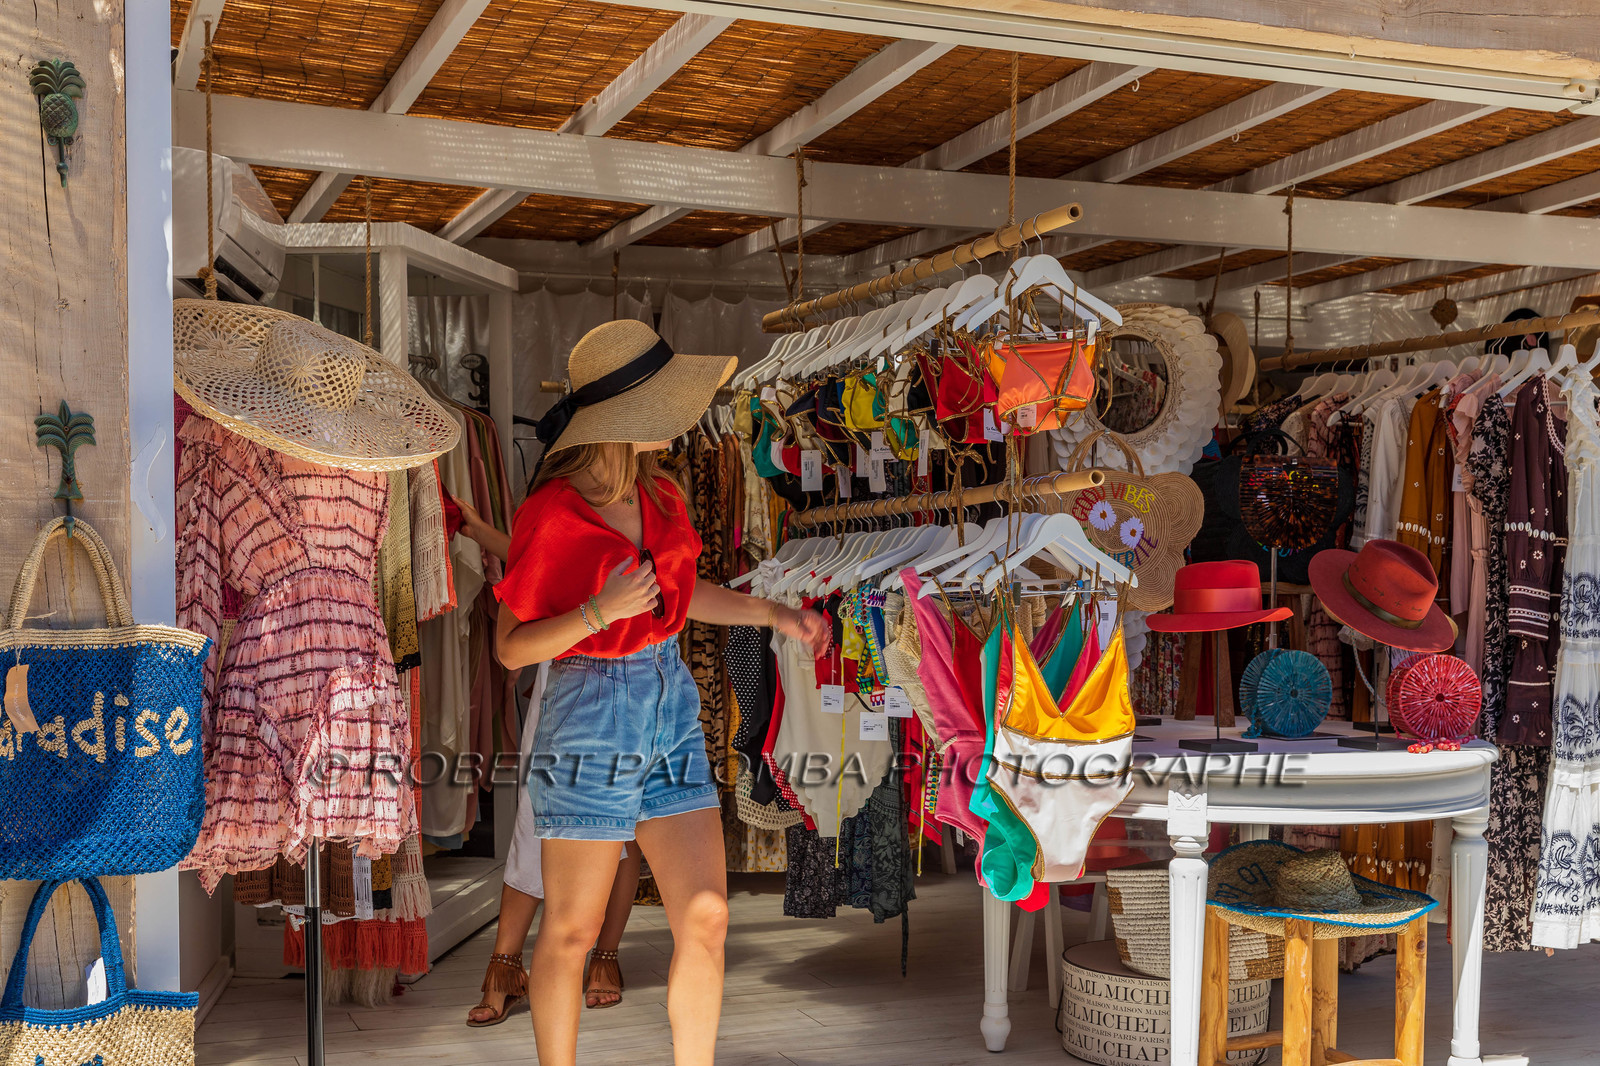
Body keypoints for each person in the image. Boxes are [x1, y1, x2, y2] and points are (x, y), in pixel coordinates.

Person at [492, 321, 829, 1066]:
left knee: (707, 917)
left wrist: (776, 614)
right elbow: (510, 646)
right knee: (573, 934)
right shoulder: (551, 513)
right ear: (626, 418)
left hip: (669, 700)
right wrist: (598, 612)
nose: (680, 419)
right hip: (588, 710)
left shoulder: (664, 495)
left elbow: (685, 593)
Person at [454, 497, 640, 1023]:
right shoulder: (563, 502)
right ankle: (505, 965)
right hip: (568, 676)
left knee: (624, 825)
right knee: (535, 823)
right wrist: (482, 531)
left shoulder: (645, 497)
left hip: (637, 677)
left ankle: (605, 954)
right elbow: (535, 559)